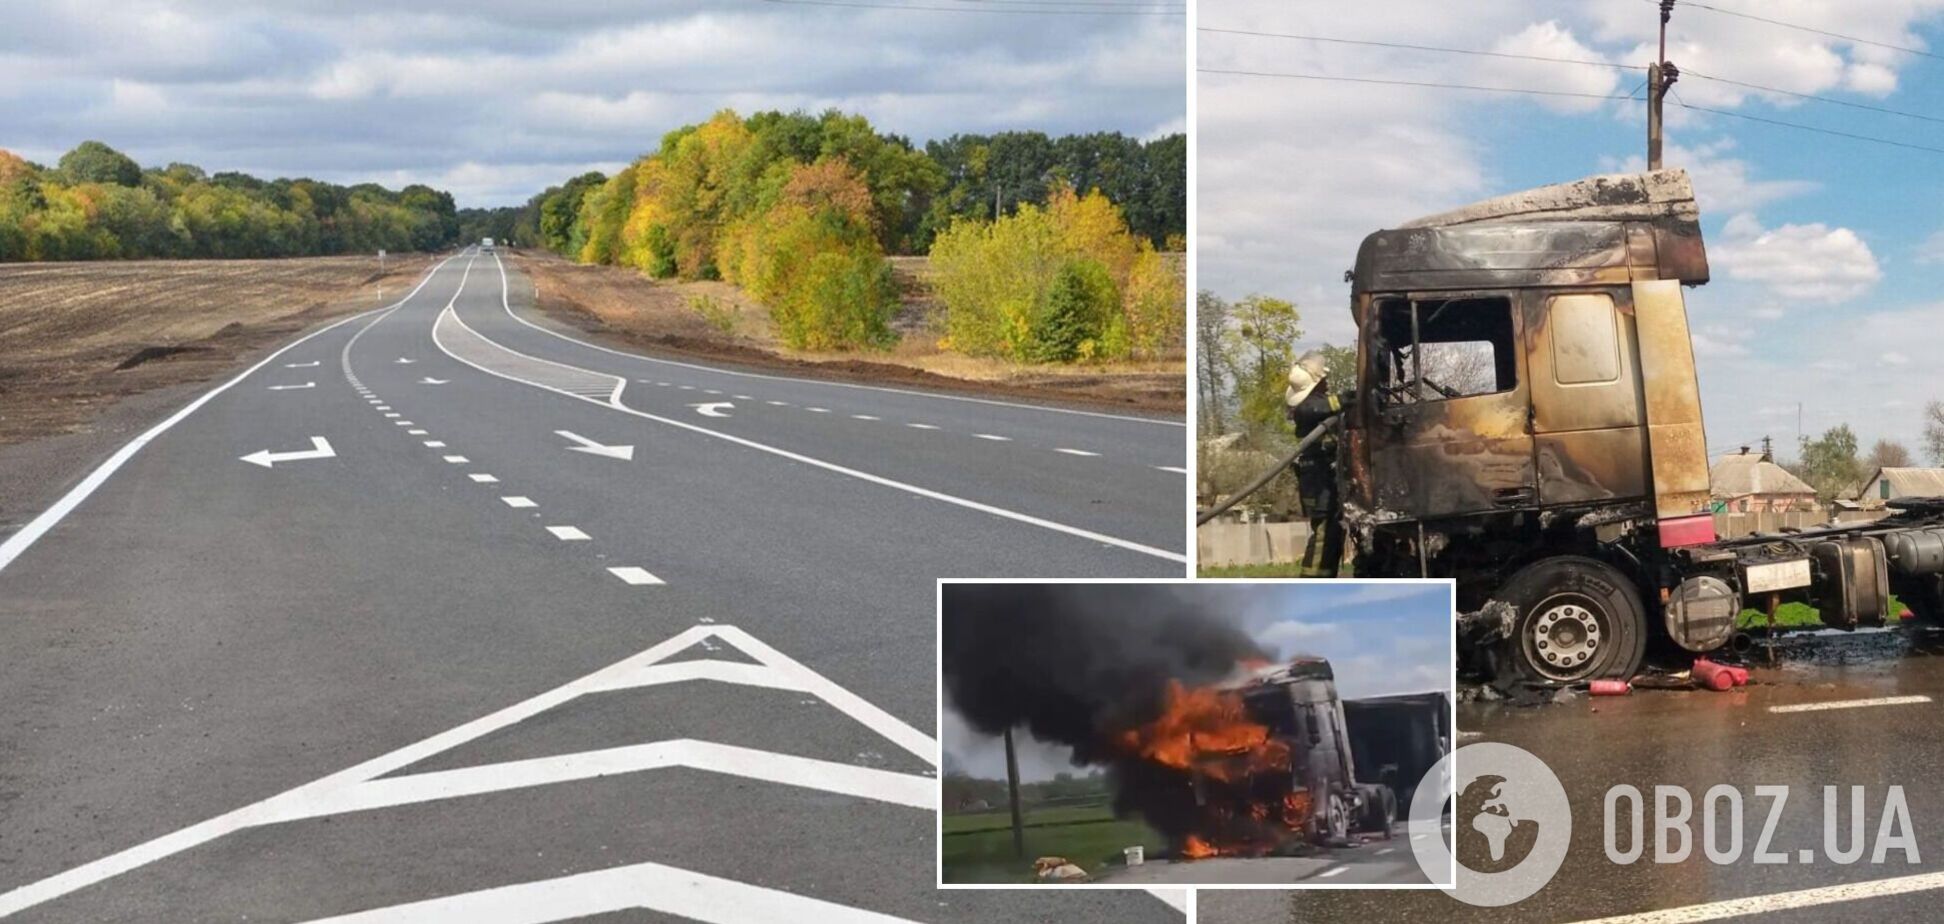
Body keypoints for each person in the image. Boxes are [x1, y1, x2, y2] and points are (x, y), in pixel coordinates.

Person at [1285, 350, 1346, 577]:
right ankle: (1311, 580)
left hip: (1322, 482)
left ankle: (1325, 578)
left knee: (1332, 535)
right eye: (1323, 380)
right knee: (1323, 536)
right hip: (1318, 483)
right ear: (1316, 384)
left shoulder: (1315, 406)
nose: (1327, 382)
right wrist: (1347, 399)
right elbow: (1323, 406)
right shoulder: (1307, 408)